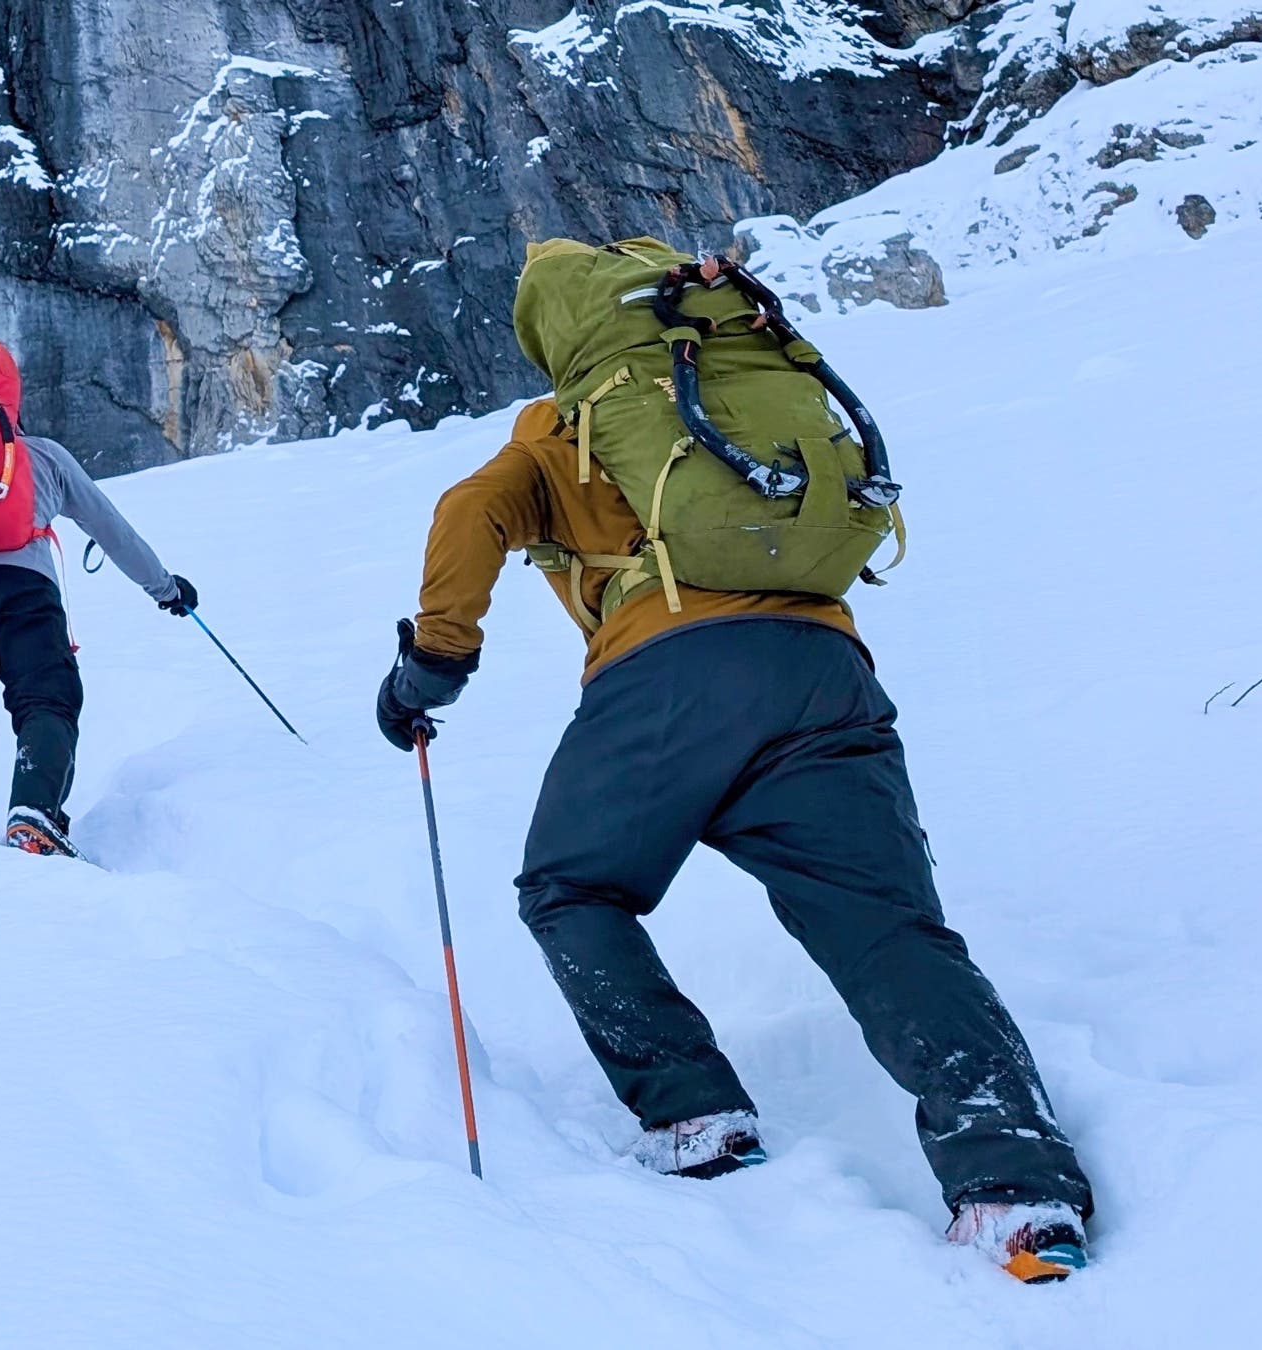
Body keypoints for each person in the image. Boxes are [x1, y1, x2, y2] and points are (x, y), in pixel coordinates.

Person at [377, 357, 1094, 1279]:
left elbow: (469, 511)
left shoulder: (554, 436)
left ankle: (694, 1116)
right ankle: (1019, 1192)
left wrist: (432, 666)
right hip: (824, 670)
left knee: (571, 887)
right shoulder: (738, 413)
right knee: (888, 930)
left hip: (669, 674)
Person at [0, 338, 193, 858]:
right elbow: (111, 530)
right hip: (25, 592)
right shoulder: (41, 456)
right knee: (46, 699)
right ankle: (35, 813)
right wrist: (166, 588)